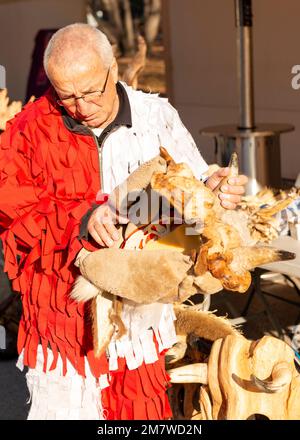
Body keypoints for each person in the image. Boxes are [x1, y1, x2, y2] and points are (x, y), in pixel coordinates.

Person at [0, 23, 248, 420]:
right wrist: (82, 217)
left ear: (113, 70)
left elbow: (191, 189)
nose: (81, 106)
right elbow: (13, 211)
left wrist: (213, 190)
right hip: (64, 324)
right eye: (67, 96)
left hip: (140, 319)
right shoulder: (26, 131)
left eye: (91, 91)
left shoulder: (156, 117)